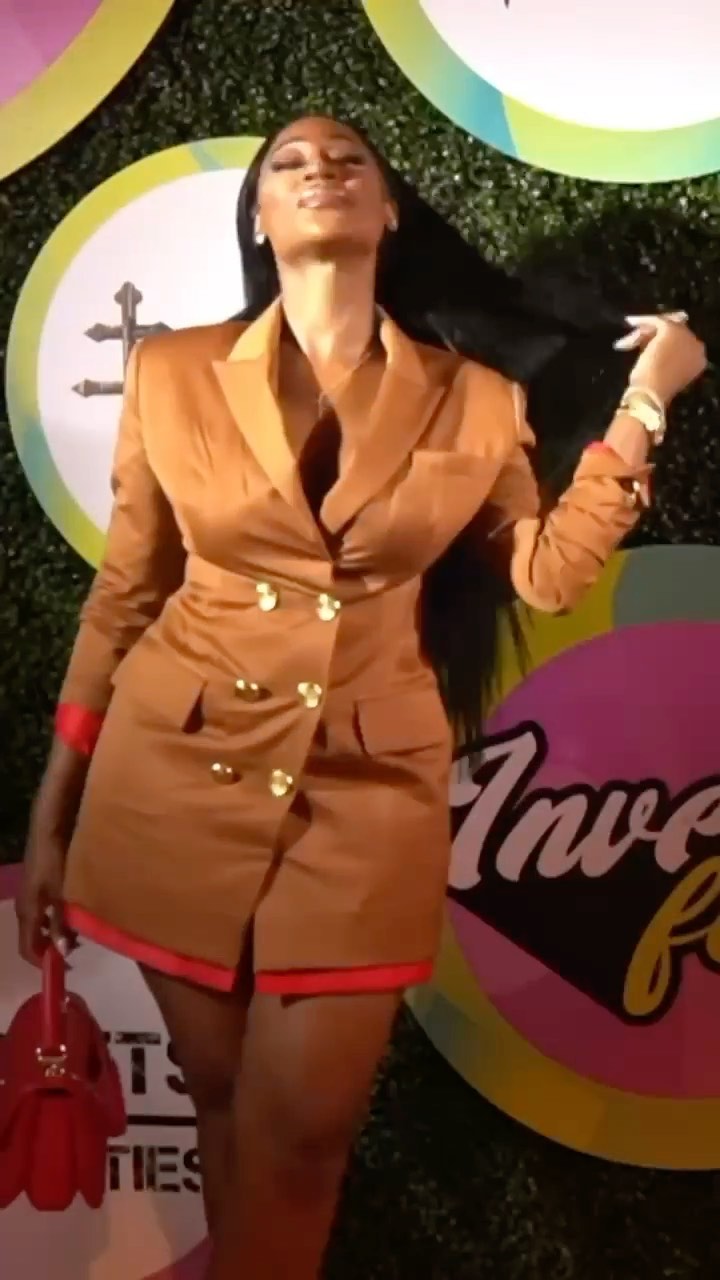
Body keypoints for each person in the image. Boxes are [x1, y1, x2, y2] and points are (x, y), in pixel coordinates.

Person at [16, 115, 705, 1278]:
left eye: (348, 161)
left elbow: (543, 571)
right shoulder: (172, 372)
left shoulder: (476, 399)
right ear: (258, 220)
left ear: (389, 212)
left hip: (367, 796)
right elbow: (128, 590)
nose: (320, 170)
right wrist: (54, 810)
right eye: (288, 164)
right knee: (223, 1101)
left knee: (301, 1139)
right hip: (167, 778)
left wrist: (645, 401)